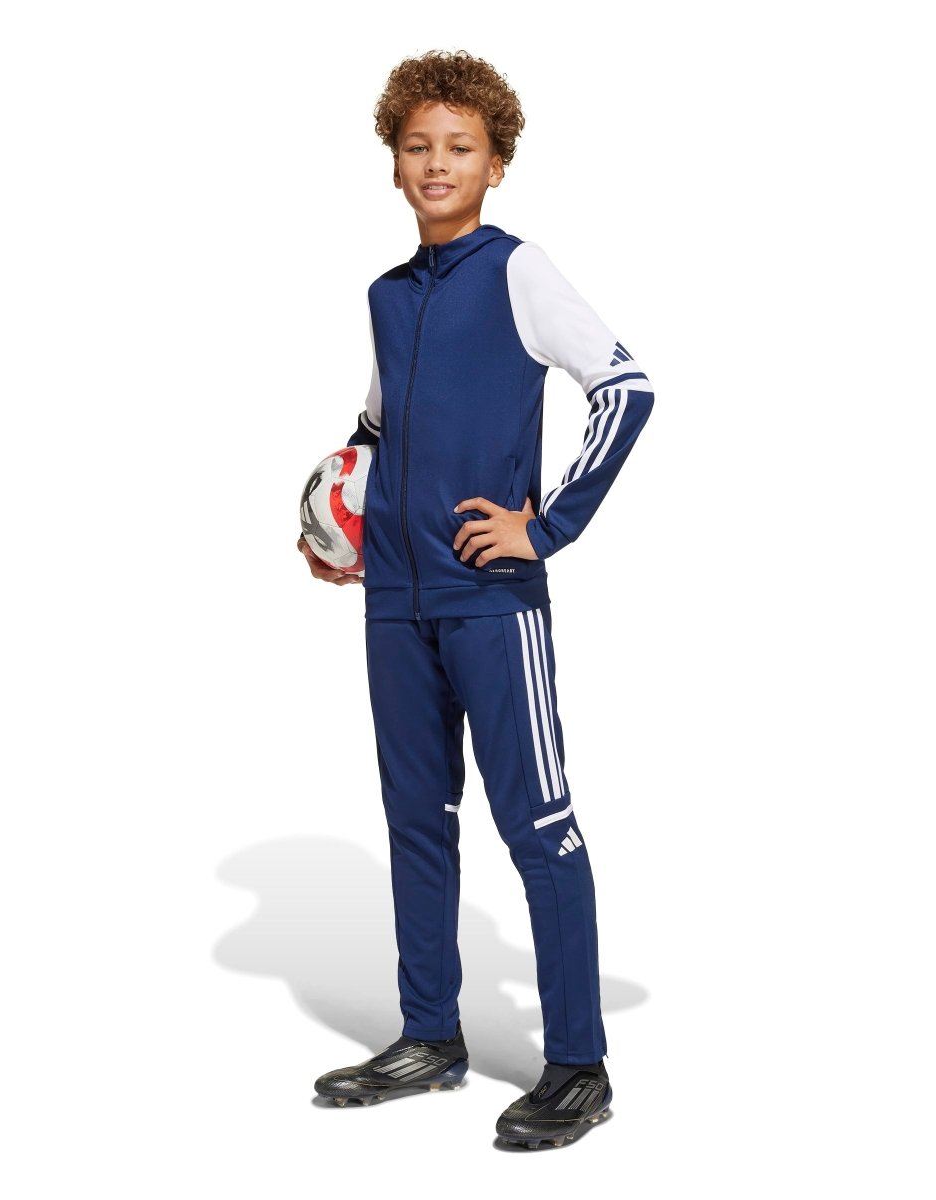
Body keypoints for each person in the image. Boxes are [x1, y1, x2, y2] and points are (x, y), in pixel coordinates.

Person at [298, 49, 654, 1149]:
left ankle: (579, 1065)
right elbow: (374, 431)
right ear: (393, 163)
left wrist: (543, 527)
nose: (437, 163)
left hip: (492, 602)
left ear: (496, 164)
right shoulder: (385, 296)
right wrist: (338, 525)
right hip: (395, 604)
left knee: (538, 825)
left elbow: (627, 388)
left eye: (460, 146)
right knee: (416, 819)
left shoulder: (518, 271)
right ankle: (429, 1036)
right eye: (418, 146)